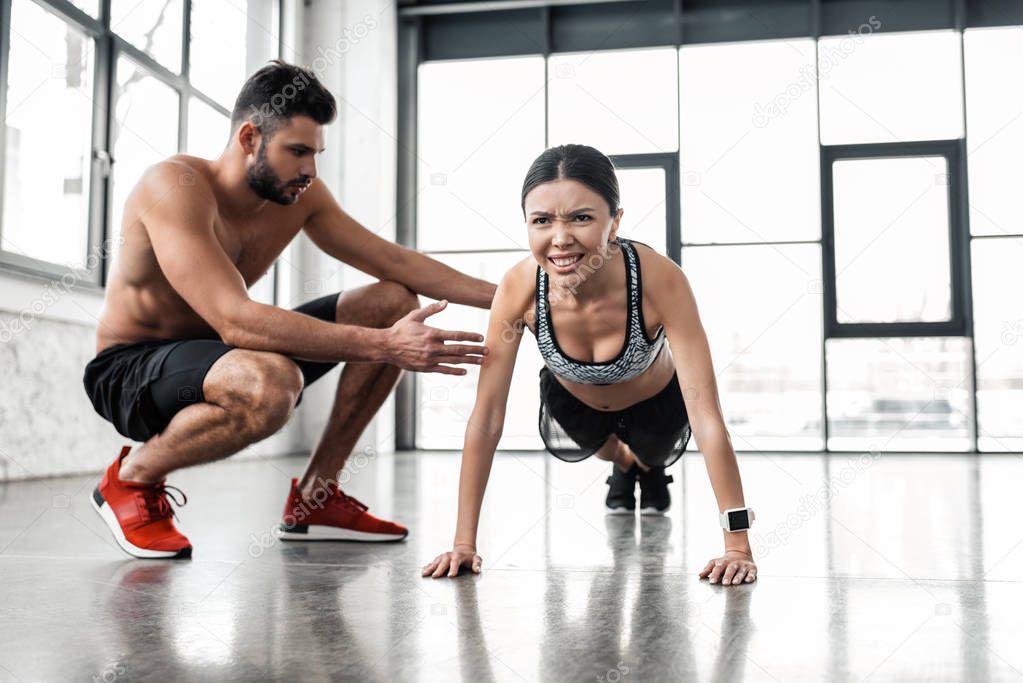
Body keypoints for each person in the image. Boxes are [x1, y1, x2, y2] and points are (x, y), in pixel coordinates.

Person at [83, 60, 496, 559]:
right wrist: (386, 346)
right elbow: (234, 317)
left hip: (217, 353)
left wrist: (524, 299)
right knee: (272, 382)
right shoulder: (175, 187)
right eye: (297, 151)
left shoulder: (300, 197)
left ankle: (315, 498)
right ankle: (132, 479)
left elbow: (394, 261)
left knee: (391, 301)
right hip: (132, 370)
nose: (310, 170)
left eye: (315, 153)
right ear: (250, 137)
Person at [422, 144, 757, 585]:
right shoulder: (519, 288)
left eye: (581, 218)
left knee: (656, 453)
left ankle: (646, 466)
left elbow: (708, 418)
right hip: (573, 401)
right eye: (542, 221)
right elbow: (485, 418)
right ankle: (624, 462)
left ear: (615, 221)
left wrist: (738, 545)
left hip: (658, 402)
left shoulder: (661, 280)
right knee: (588, 447)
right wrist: (463, 543)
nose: (560, 239)